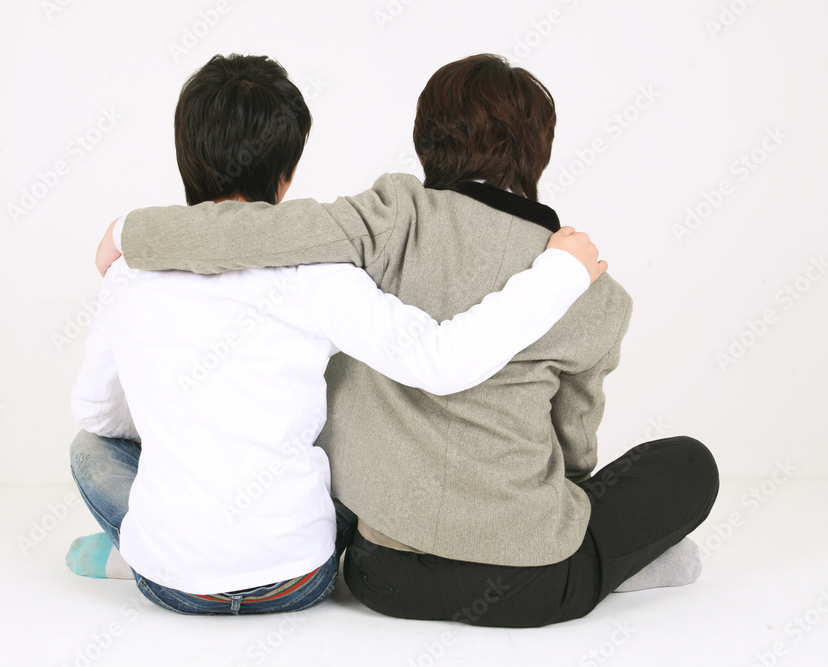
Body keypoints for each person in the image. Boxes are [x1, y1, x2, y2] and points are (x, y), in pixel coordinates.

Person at [93, 53, 719, 626]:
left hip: (381, 577)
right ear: (541, 152)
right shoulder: (595, 293)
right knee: (689, 464)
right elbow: (575, 449)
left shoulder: (384, 220)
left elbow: (251, 232)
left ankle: (169, 557)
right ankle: (616, 568)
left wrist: (129, 234)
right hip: (529, 584)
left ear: (424, 140)